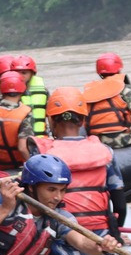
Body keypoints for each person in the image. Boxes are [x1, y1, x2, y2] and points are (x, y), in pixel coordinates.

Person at [34, 87, 125, 237]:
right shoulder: (105, 151)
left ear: (51, 120)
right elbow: (120, 205)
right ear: (82, 121)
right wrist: (116, 233)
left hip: (59, 238)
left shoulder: (42, 153)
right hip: (100, 237)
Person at [9, 53, 50, 135]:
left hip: (40, 138)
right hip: (19, 139)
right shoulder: (9, 93)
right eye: (17, 73)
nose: (20, 76)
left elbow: (50, 115)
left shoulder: (43, 91)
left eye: (24, 73)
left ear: (32, 74)